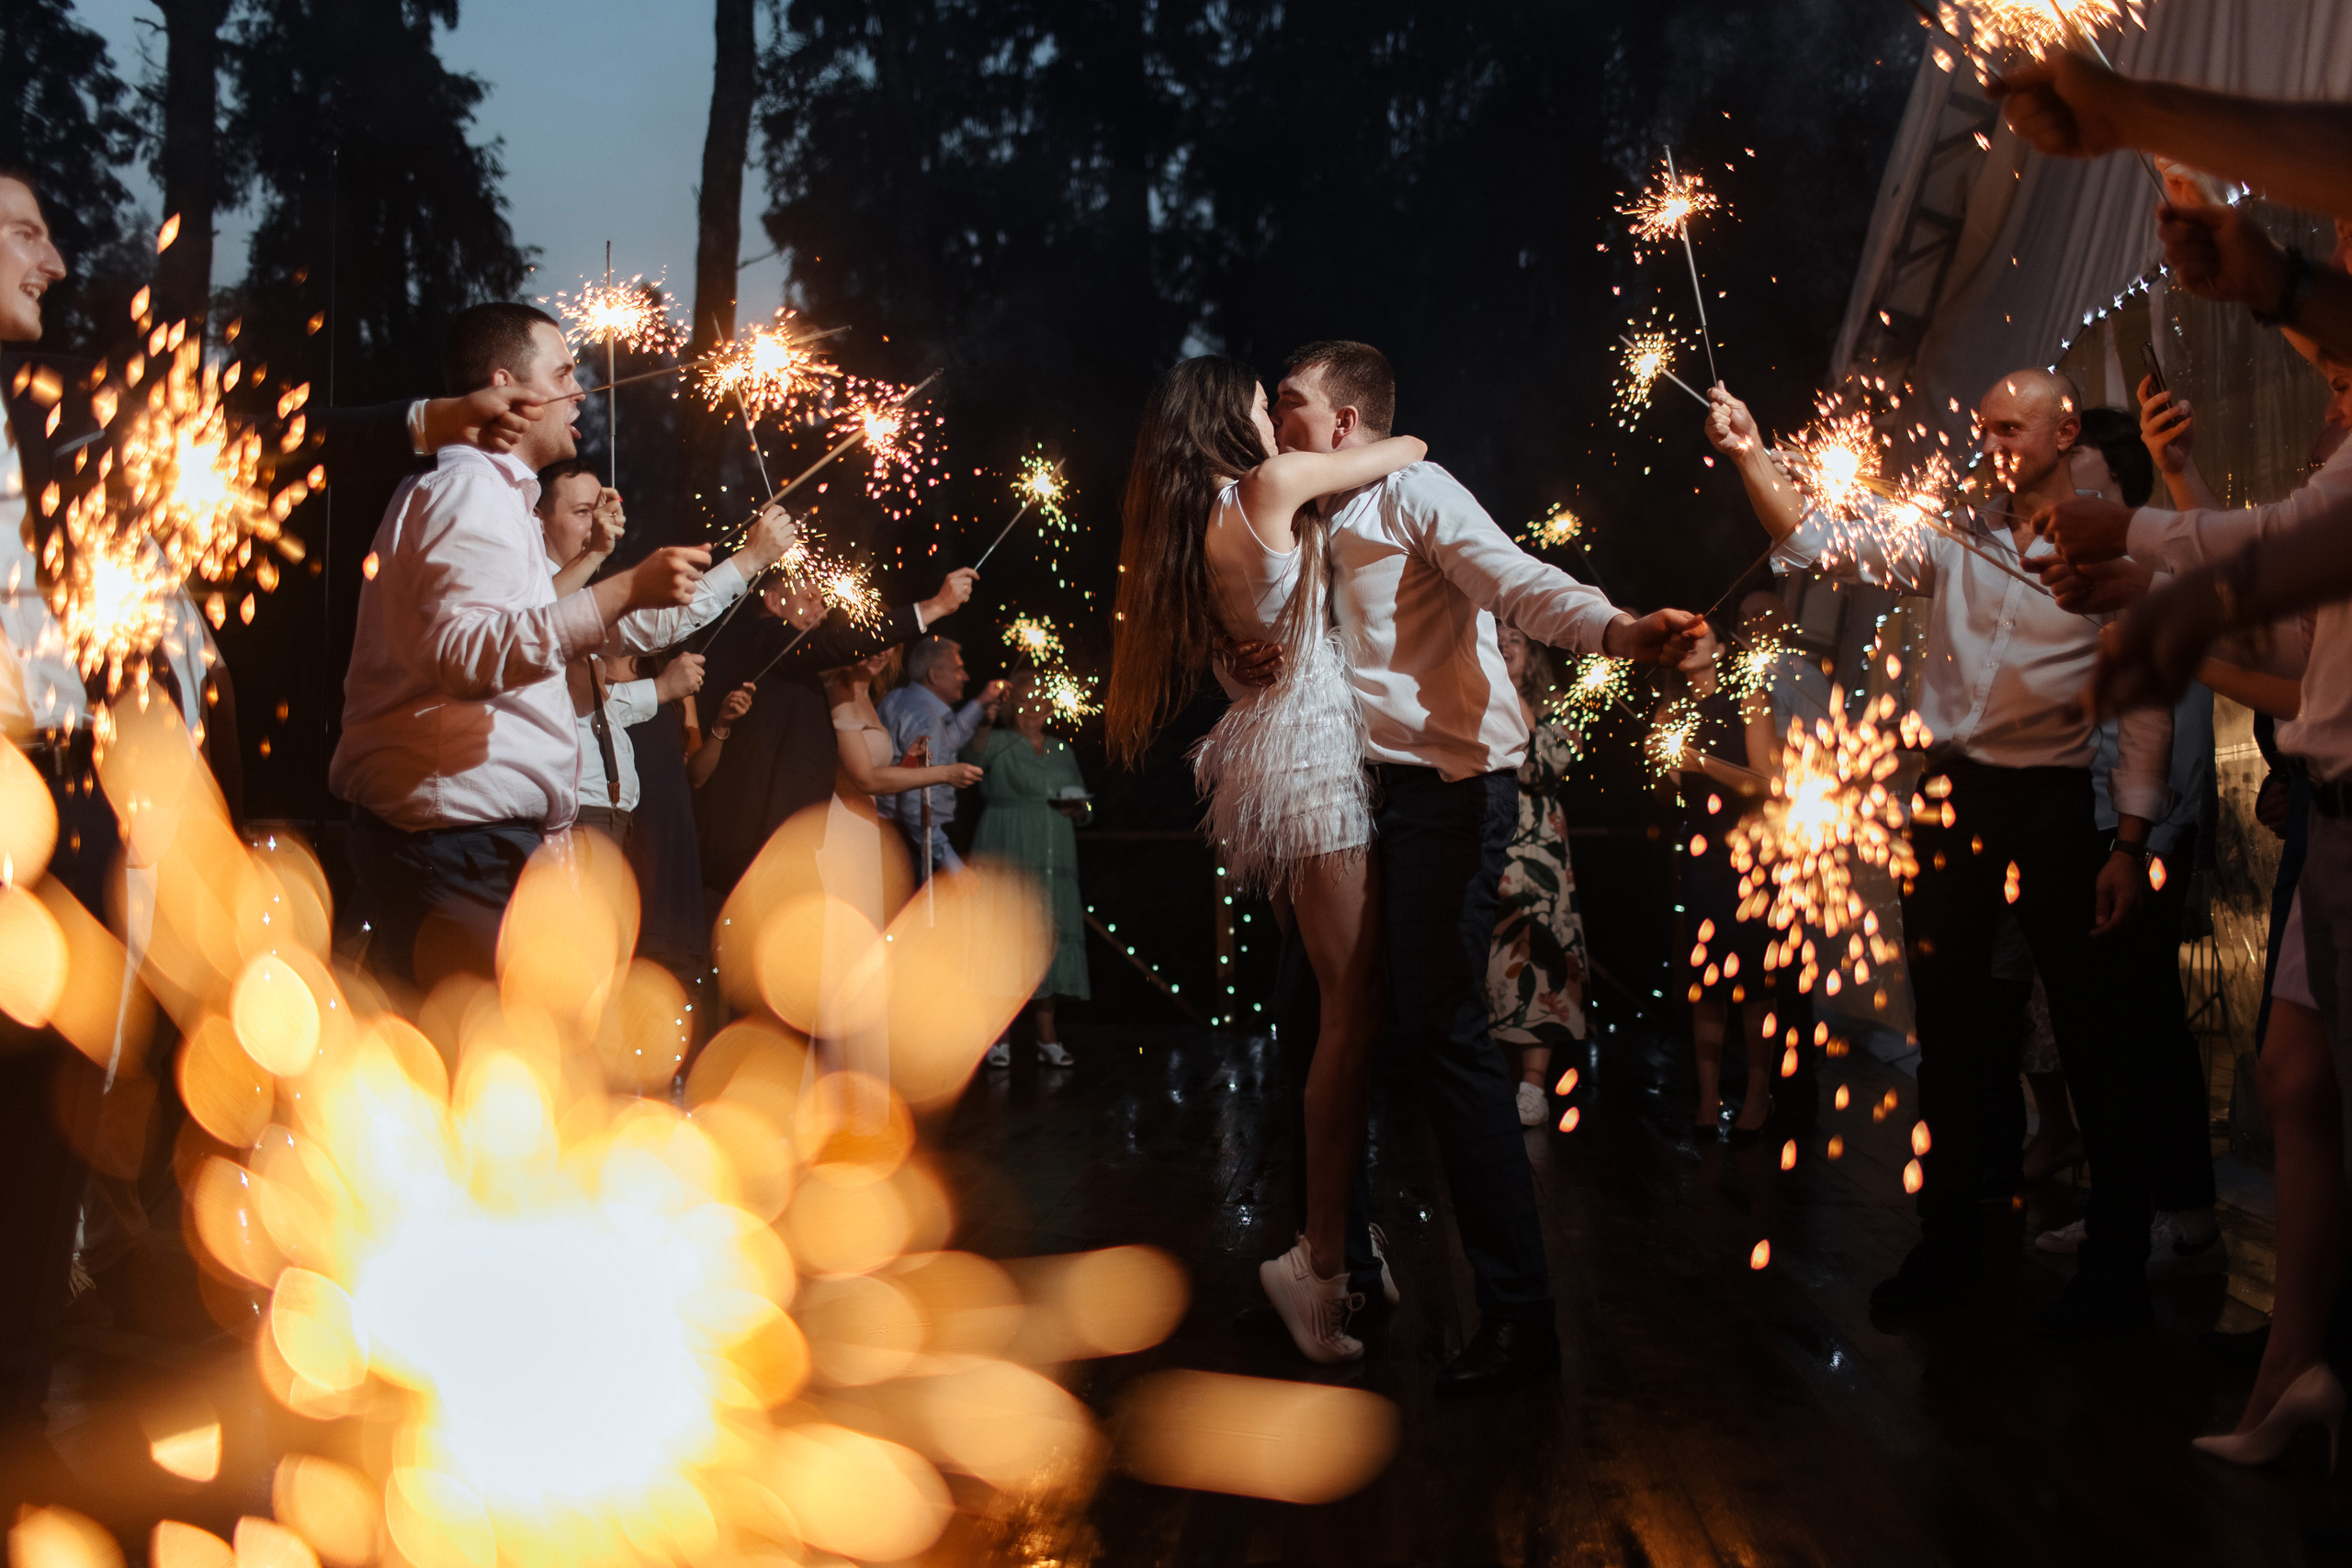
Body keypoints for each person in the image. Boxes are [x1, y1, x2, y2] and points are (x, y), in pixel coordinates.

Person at [1224, 341, 1701, 1387]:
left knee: (1443, 1028)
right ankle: (1337, 1265)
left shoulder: (1417, 492)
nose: (1276, 423)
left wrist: (1619, 629)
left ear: (1342, 422)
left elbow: (1515, 579)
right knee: (1310, 1018)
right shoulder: (1305, 516)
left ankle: (1521, 1318)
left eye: (1291, 404)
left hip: (1447, 791)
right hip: (1345, 798)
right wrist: (1237, 656)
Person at [1706, 369, 2174, 1337]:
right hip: (1949, 799)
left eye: (2011, 429)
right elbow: (1816, 540)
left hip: (2050, 804)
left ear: (2063, 433)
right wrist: (1750, 453)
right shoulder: (1951, 538)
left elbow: (2142, 706)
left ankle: (2116, 1265)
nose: (1991, 445)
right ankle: (1951, 1242)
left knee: (2090, 1033)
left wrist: (2129, 840)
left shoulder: (2112, 553)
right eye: (1985, 428)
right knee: (1953, 1032)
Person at [1106, 352, 1423, 1365]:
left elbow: (1240, 639)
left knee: (1330, 1010)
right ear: (1222, 418)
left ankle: (1341, 1242)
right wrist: (1391, 436)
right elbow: (1401, 450)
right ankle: (1320, 1260)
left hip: (1271, 758)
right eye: (1259, 404)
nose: (1272, 421)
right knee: (1350, 1011)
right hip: (1314, 759)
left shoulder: (1203, 516)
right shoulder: (1271, 484)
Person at [331, 301, 796, 993]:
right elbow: (470, 655)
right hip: (457, 846)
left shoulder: (498, 503)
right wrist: (624, 586)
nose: (581, 391)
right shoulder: (469, 492)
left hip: (483, 848)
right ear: (507, 388)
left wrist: (713, 570)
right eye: (563, 374)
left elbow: (568, 626)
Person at [690, 568, 980, 902]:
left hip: (792, 833)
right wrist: (935, 606)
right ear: (772, 601)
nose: (823, 611)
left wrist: (907, 766)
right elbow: (837, 646)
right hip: (757, 834)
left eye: (822, 600)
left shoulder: (801, 665)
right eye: (810, 598)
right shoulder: (770, 639)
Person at [534, 456, 709, 848]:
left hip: (613, 816)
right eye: (583, 512)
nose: (598, 524)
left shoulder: (577, 591)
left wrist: (661, 690)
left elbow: (603, 707)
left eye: (598, 510)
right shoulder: (532, 590)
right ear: (538, 518)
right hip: (572, 817)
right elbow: (540, 621)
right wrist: (749, 561)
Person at [1665, 610, 1790, 1141]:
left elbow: (1766, 781)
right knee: (1706, 978)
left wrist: (1702, 763)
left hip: (1752, 852)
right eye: (1681, 638)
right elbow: (1672, 788)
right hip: (1702, 853)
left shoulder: (1748, 697)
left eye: (1700, 636)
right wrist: (1669, 770)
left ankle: (1759, 1094)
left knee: (1757, 980)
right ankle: (1708, 1098)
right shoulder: (1673, 709)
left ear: (1720, 647)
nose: (1689, 643)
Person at [1486, 624, 1589, 1127]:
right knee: (1492, 962)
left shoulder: (1555, 706)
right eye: (1498, 637)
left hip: (1538, 850)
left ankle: (1533, 1087)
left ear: (1533, 652)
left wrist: (1514, 698)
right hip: (1488, 840)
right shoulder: (1476, 693)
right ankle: (1495, 1084)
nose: (1506, 645)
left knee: (1539, 959)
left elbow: (1544, 768)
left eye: (1516, 639)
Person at [967, 670, 1091, 1069]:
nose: (1032, 710)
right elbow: (971, 760)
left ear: (1051, 708)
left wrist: (1080, 810)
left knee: (1049, 934)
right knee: (1006, 935)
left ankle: (1047, 1037)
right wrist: (984, 721)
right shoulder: (998, 741)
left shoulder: (1061, 749)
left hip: (1056, 851)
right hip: (1008, 844)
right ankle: (998, 1036)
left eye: (1039, 703)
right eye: (1023, 704)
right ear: (1011, 709)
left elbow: (1082, 800)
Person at [876, 636, 1003, 881]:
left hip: (885, 832)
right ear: (934, 675)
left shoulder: (899, 697)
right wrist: (954, 867)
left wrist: (981, 703)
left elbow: (947, 741)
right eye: (958, 669)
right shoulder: (927, 720)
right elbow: (916, 808)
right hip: (909, 843)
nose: (966, 677)